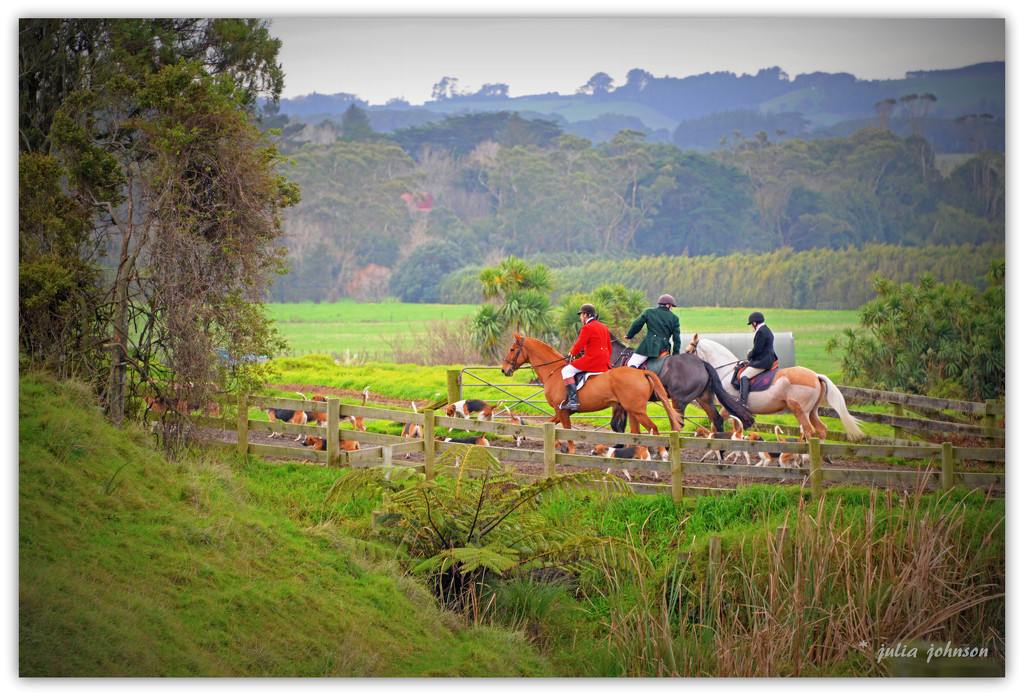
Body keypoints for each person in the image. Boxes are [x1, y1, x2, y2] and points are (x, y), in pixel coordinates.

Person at [559, 303, 612, 412]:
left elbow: (579, 345)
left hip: (592, 361)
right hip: (605, 362)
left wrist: (571, 353)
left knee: (566, 370)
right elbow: (609, 347)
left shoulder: (586, 328)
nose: (580, 317)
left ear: (587, 315)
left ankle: (573, 401)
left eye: (581, 314)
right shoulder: (604, 326)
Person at [624, 294, 681, 367]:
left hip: (648, 347)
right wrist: (675, 355)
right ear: (667, 305)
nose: (671, 308)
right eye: (671, 306)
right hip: (664, 349)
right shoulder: (674, 318)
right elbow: (676, 339)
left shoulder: (649, 312)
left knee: (632, 363)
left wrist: (629, 335)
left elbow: (636, 324)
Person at [737, 311, 778, 405]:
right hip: (768, 358)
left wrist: (750, 354)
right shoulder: (767, 329)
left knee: (744, 376)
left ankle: (743, 402)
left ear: (755, 323)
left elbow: (758, 350)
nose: (752, 326)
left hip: (763, 361)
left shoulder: (760, 332)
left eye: (752, 324)